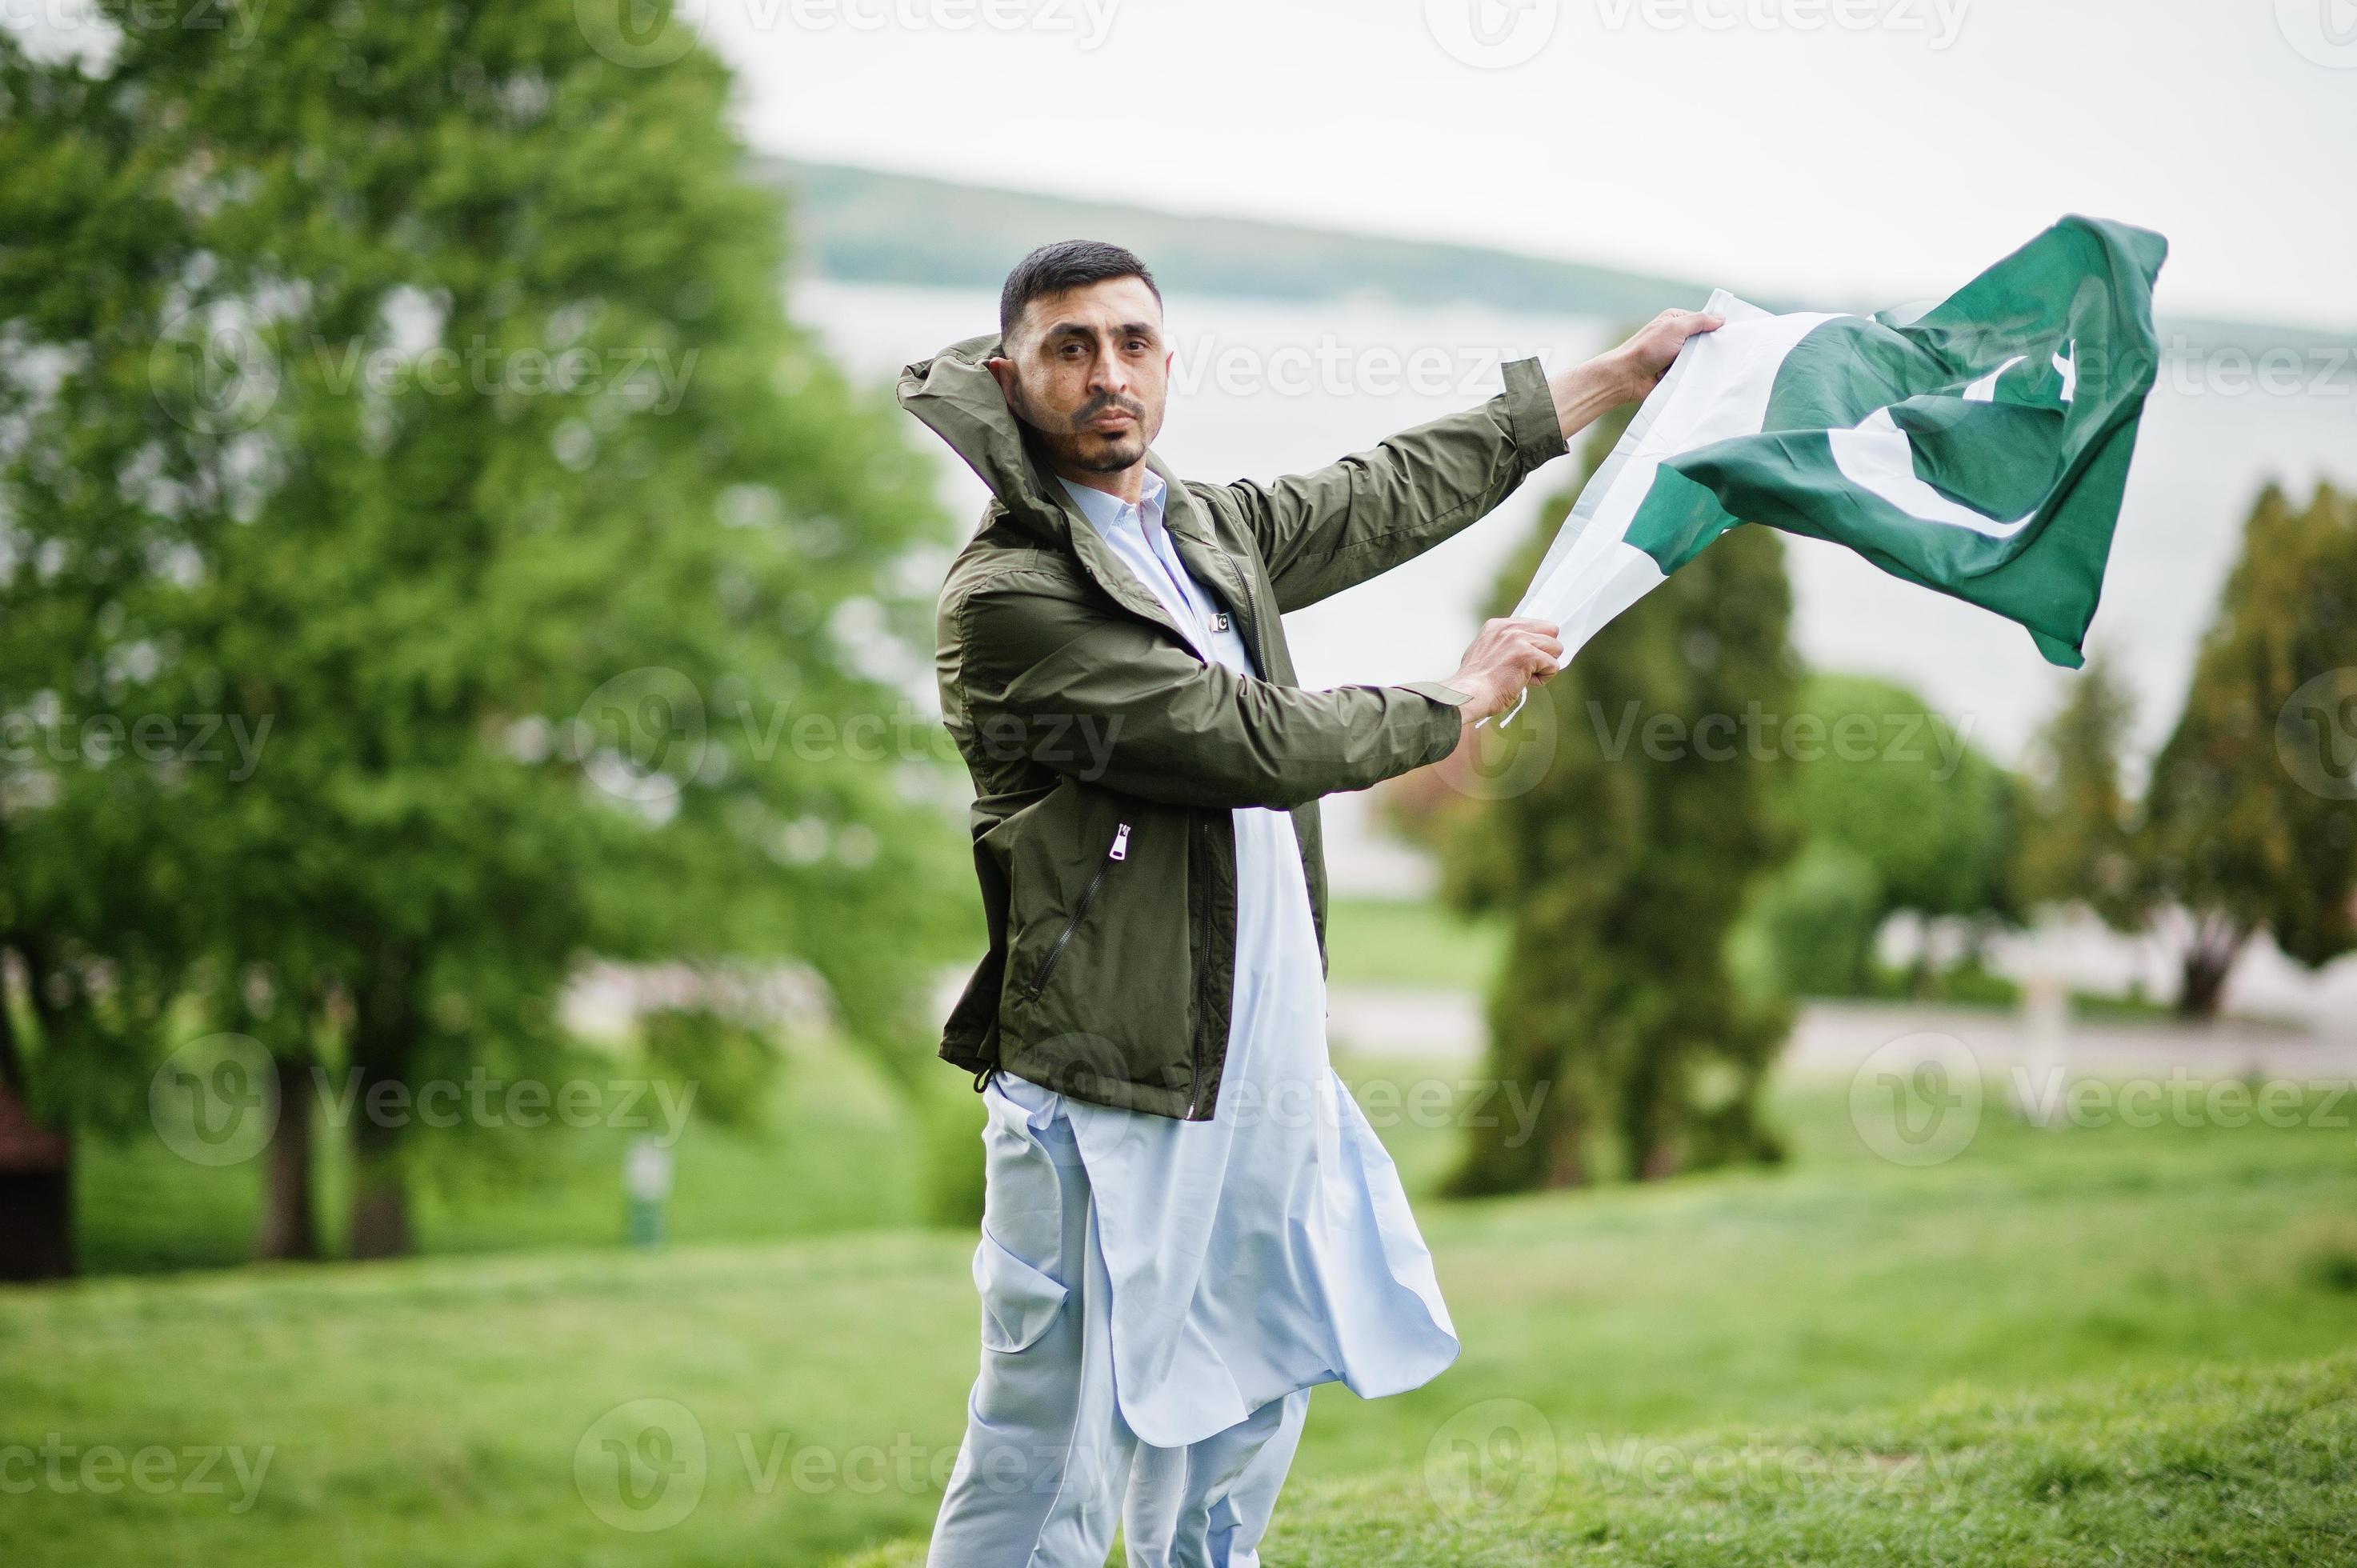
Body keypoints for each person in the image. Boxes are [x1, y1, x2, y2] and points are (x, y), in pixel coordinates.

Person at [901, 239, 1719, 1566]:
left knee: (1239, 1411)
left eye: (1130, 341)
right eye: (1068, 347)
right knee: (1044, 1455)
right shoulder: (1011, 600)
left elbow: (1381, 494)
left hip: (1252, 1072)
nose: (1105, 372)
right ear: (1010, 376)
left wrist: (1608, 382)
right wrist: (1453, 700)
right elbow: (1246, 739)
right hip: (1101, 1093)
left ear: (1165, 360)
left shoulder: (1197, 528)